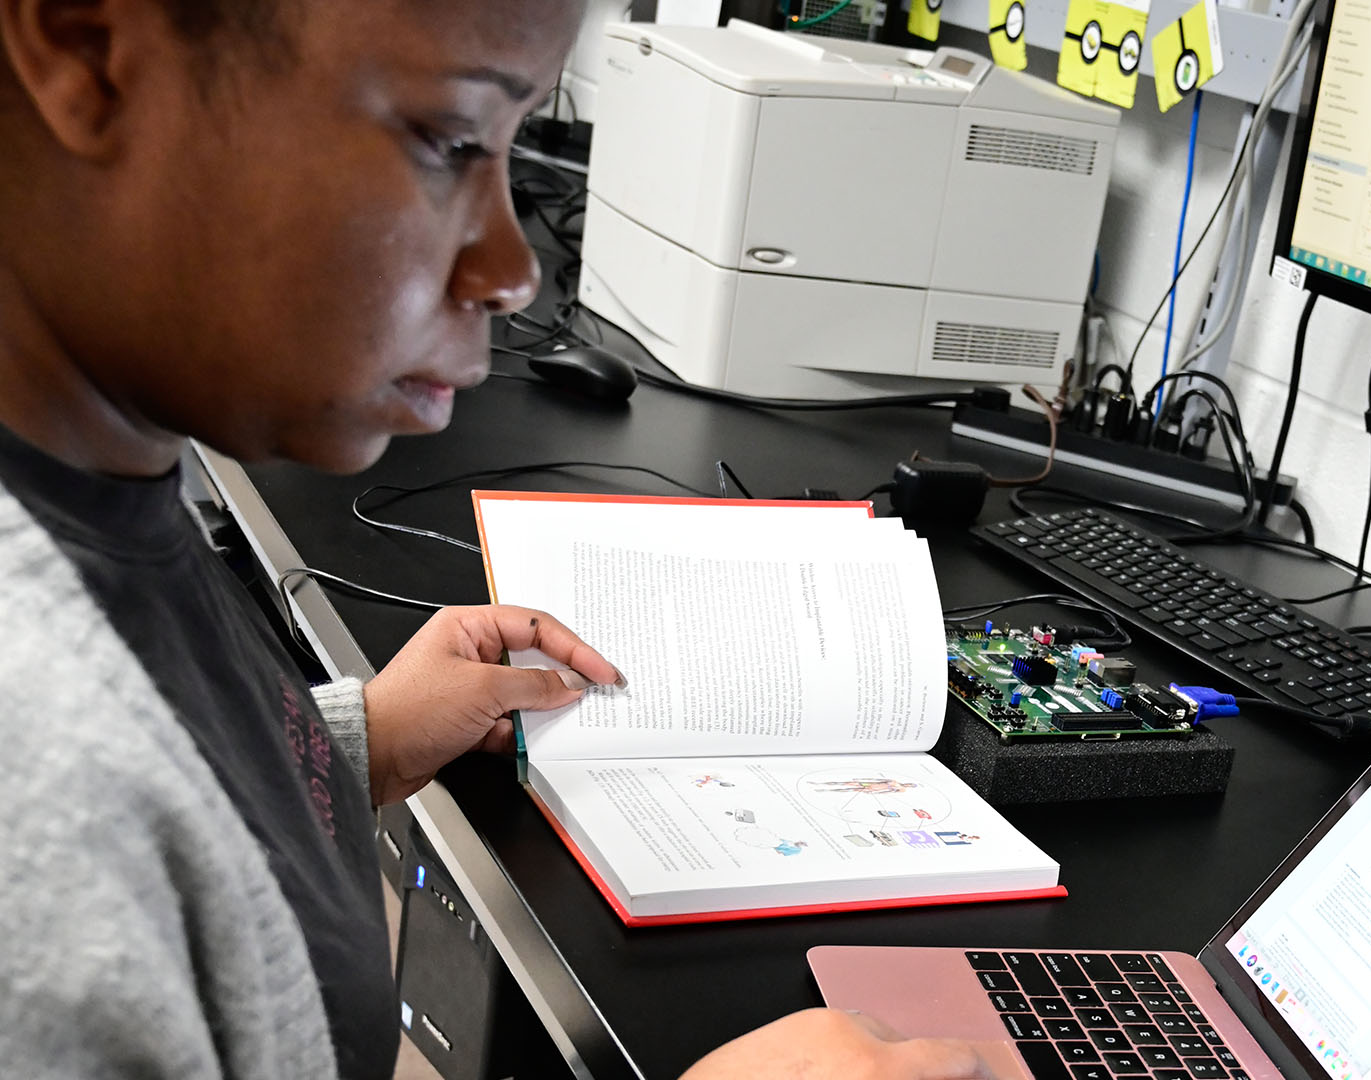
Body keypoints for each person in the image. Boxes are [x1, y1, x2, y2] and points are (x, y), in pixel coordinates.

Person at [0, 1, 1004, 1077]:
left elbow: (167, 794)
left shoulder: (96, 488)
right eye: (449, 141)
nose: (512, 269)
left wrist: (354, 746)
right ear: (89, 47)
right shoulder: (41, 803)